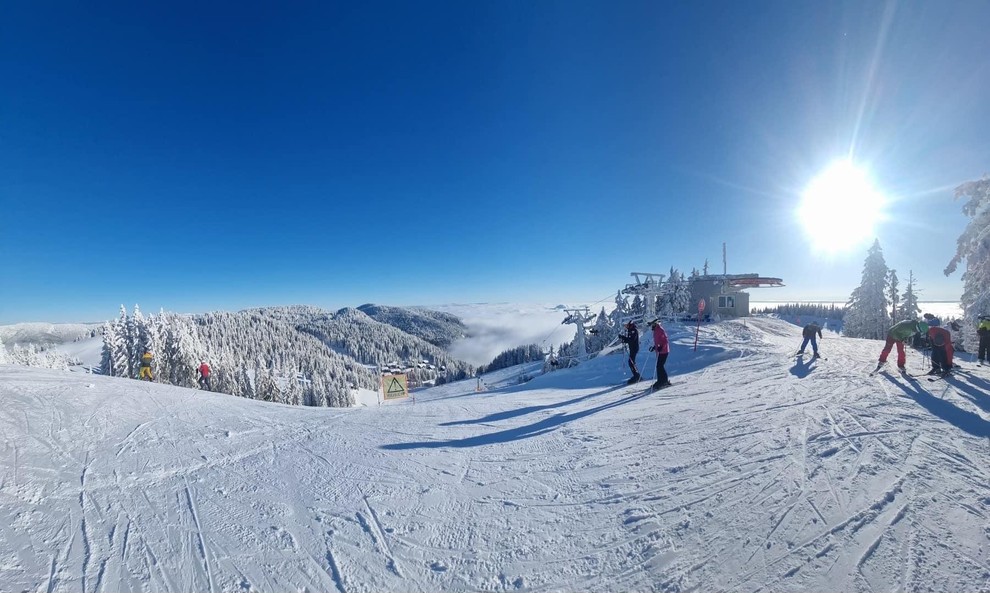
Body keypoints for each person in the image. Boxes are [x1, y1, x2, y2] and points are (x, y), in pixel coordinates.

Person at [648, 319, 671, 390]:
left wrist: (661, 347)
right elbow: (658, 341)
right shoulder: (655, 330)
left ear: (654, 323)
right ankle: (660, 381)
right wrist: (654, 347)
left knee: (660, 366)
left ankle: (664, 381)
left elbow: (665, 340)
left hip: (664, 351)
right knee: (658, 366)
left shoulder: (660, 330)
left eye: (651, 324)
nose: (650, 326)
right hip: (660, 351)